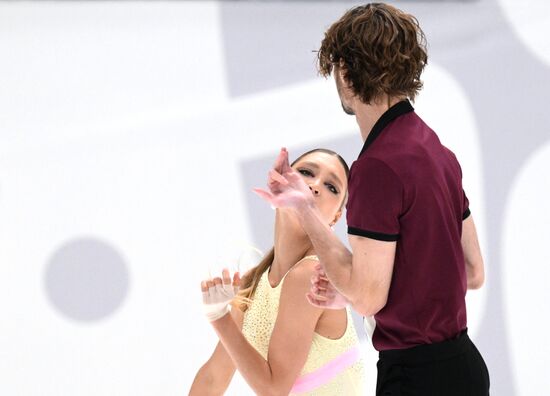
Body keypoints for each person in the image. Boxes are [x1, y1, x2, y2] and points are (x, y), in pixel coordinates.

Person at [254, 3, 490, 396]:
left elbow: (367, 297)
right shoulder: (438, 153)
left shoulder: (377, 167)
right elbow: (472, 271)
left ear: (345, 72)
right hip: (464, 368)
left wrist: (304, 208)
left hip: (417, 379)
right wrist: (359, 290)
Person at [190, 149, 365, 395]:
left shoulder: (310, 274)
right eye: (306, 173)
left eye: (331, 187)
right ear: (279, 186)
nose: (314, 186)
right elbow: (213, 378)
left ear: (335, 217)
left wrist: (220, 318)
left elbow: (274, 389)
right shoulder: (254, 281)